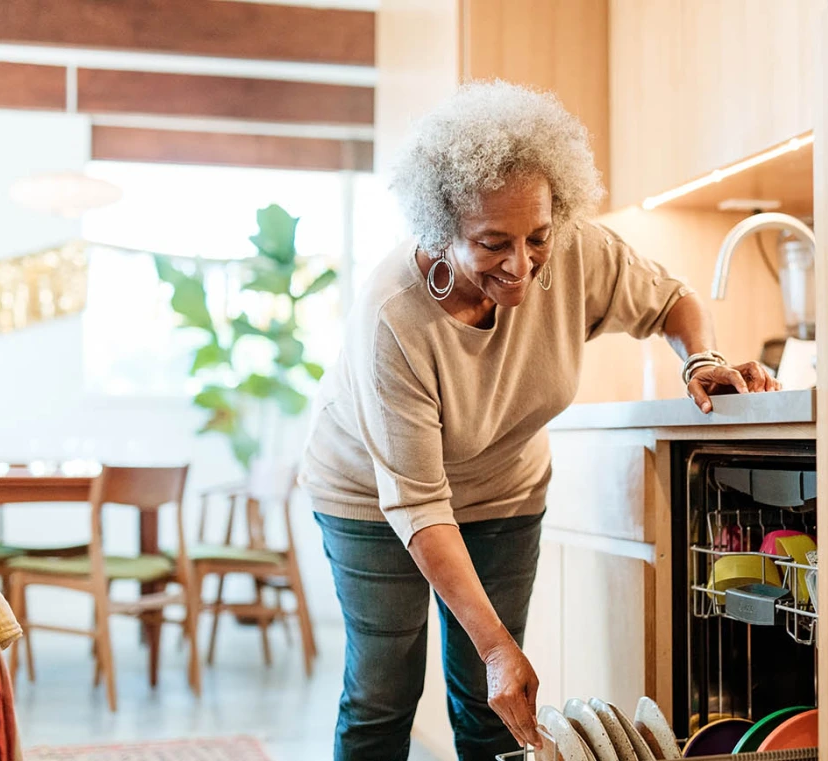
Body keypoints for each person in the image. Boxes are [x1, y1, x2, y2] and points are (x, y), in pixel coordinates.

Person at [301, 80, 779, 761]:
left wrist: (698, 357)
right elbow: (418, 502)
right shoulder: (393, 317)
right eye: (493, 242)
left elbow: (671, 299)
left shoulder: (578, 251)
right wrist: (495, 644)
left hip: (502, 493)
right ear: (440, 231)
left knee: (490, 700)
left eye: (537, 237)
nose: (522, 265)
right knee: (384, 691)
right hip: (371, 503)